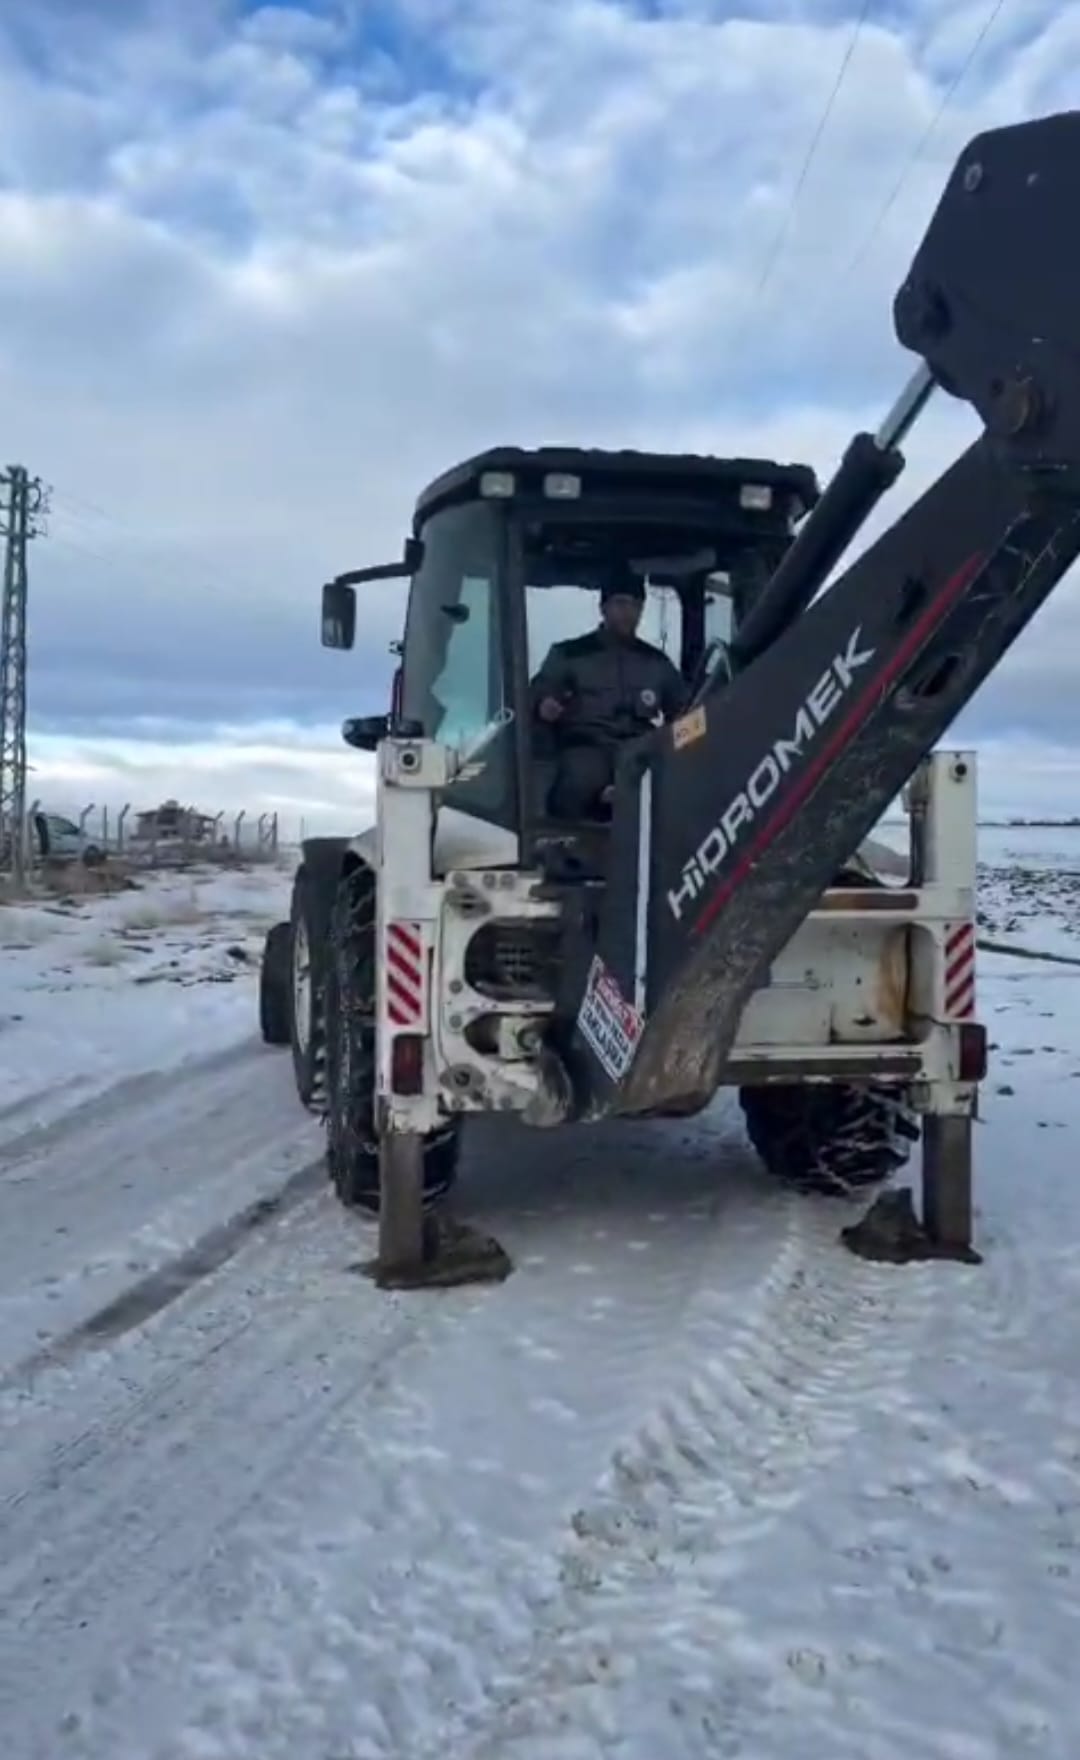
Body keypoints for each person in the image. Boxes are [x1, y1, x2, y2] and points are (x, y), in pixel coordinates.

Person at [531, 566, 689, 820]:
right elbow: (539, 692)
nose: (629, 612)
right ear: (603, 608)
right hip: (586, 747)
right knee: (578, 779)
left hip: (638, 750)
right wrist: (544, 704)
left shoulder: (657, 663)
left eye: (636, 605)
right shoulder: (569, 655)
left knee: (670, 785)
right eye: (621, 603)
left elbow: (684, 710)